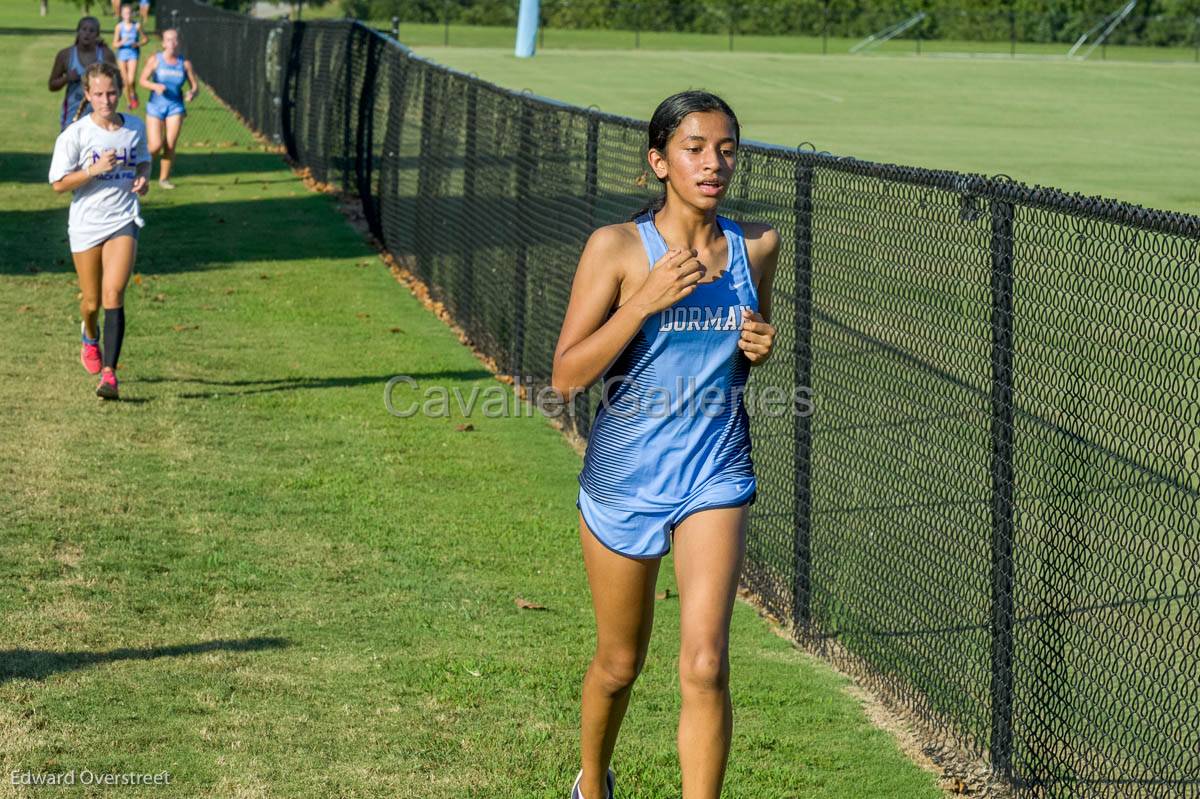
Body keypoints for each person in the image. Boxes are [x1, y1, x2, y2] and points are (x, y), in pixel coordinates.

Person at [551, 90, 780, 799]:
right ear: (659, 161)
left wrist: (762, 345)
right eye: (694, 148)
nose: (713, 163)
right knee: (621, 662)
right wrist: (645, 300)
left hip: (715, 471)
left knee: (706, 662)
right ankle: (592, 785)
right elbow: (565, 376)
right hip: (626, 480)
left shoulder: (757, 245)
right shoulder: (617, 250)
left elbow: (751, 338)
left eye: (726, 149)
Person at [49, 61, 151, 401]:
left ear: (120, 92)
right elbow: (59, 185)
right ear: (88, 95)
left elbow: (142, 160)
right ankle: (89, 335)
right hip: (85, 224)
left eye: (111, 93)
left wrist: (143, 177)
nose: (106, 100)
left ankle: (110, 375)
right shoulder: (76, 134)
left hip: (122, 218)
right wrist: (93, 169)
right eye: (99, 94)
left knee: (113, 294)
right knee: (91, 302)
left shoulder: (134, 127)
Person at [138, 28, 198, 189]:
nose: (172, 43)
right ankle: (142, 172)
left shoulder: (184, 64)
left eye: (175, 39)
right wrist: (154, 85)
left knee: (170, 144)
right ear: (163, 43)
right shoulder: (156, 60)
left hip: (175, 107)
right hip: (155, 107)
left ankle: (164, 179)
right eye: (168, 40)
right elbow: (142, 80)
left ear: (179, 42)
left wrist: (192, 93)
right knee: (155, 145)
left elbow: (195, 86)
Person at [48, 17, 116, 131]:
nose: (87, 34)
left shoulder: (106, 55)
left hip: (101, 118)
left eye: (91, 30)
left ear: (97, 34)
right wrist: (67, 78)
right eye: (84, 29)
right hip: (72, 117)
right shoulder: (65, 55)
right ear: (78, 31)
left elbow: (117, 85)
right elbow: (52, 85)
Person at [112, 4, 147, 110]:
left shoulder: (137, 26)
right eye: (125, 13)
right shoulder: (119, 27)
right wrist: (122, 42)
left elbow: (145, 39)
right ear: (122, 14)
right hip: (122, 54)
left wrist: (137, 44)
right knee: (125, 81)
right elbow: (114, 44)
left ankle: (133, 93)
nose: (127, 15)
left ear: (132, 14)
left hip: (133, 53)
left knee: (131, 80)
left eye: (129, 13)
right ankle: (129, 102)